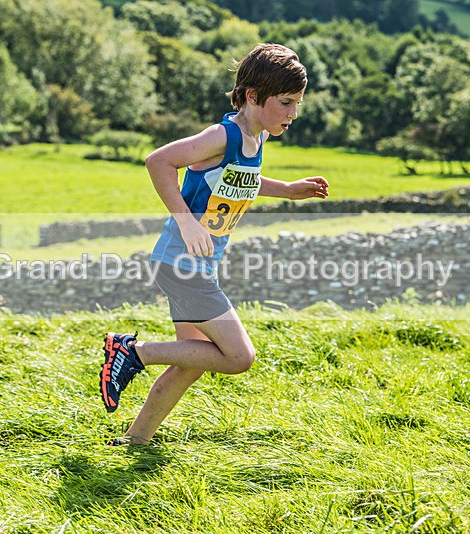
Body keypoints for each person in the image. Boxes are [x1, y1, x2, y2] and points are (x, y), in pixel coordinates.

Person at [100, 43, 329, 445]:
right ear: (254, 97)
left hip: (199, 264)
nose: (294, 113)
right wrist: (186, 222)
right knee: (240, 357)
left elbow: (239, 179)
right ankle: (132, 352)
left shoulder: (255, 139)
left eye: (298, 103)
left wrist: (288, 190)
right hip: (180, 263)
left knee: (191, 360)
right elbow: (158, 161)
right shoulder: (222, 135)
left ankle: (135, 440)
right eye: (287, 102)